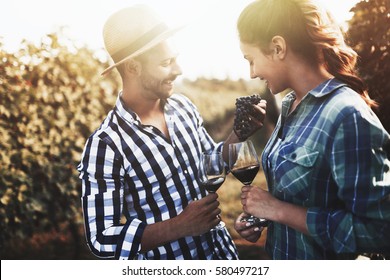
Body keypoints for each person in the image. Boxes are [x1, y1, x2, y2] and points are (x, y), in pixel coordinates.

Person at [77, 4, 266, 260]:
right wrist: (179, 226)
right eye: (166, 62)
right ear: (132, 67)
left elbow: (210, 168)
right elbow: (101, 238)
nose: (178, 70)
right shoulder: (106, 145)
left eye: (175, 58)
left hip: (221, 255)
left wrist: (239, 134)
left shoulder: (183, 107)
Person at [234, 0, 390, 259]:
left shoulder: (345, 115)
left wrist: (278, 210)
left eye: (251, 60)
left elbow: (380, 230)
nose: (252, 73)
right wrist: (264, 216)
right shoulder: (289, 105)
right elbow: (305, 197)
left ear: (277, 47)